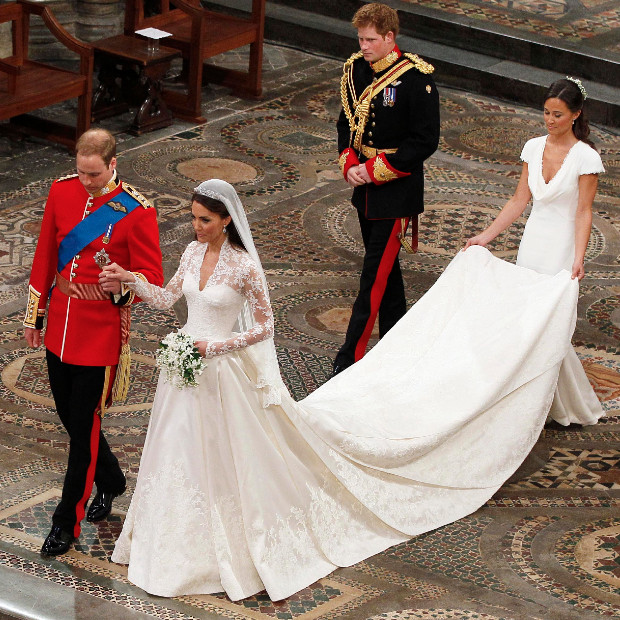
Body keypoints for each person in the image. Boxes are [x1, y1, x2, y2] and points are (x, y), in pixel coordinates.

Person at [105, 179, 579, 601]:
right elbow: (170, 298)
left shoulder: (244, 267)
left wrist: (219, 345)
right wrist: (133, 282)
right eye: (193, 218)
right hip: (183, 374)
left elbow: (265, 326)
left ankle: (225, 546)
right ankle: (167, 542)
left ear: (227, 220)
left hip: (221, 373)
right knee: (174, 455)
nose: (196, 227)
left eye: (205, 220)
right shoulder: (190, 254)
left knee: (224, 458)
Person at [23, 128, 164, 556]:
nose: (86, 181)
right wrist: (36, 315)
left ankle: (66, 522)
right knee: (70, 417)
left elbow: (152, 280)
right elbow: (46, 253)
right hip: (62, 321)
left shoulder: (136, 212)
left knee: (83, 427)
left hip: (100, 331)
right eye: (81, 172)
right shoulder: (61, 192)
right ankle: (113, 479)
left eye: (94, 174)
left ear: (113, 164)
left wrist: (122, 282)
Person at [465, 77, 605, 426]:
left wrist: (578, 257)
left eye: (558, 114)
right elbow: (518, 200)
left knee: (548, 324)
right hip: (533, 243)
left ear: (576, 115)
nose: (550, 120)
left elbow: (583, 211)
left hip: (562, 247)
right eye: (546, 112)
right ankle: (532, 401)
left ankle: (545, 404)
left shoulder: (586, 158)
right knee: (527, 322)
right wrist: (486, 236)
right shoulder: (532, 147)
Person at [332, 3, 440, 376]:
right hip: (364, 187)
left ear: (390, 37)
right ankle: (398, 348)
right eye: (360, 39)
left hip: (396, 189)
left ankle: (349, 361)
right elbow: (346, 122)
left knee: (373, 278)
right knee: (387, 277)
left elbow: (425, 140)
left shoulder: (415, 79)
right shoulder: (356, 70)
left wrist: (375, 171)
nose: (363, 46)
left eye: (371, 40)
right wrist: (349, 163)